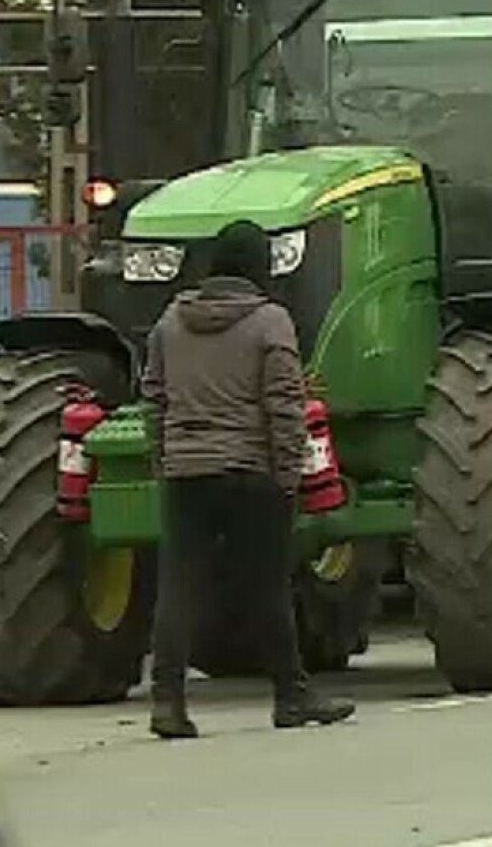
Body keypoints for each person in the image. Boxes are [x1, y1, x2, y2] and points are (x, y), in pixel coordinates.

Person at [139, 221, 355, 739]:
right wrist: (288, 475)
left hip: (187, 472)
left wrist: (165, 458)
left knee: (178, 587)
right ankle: (291, 696)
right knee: (267, 589)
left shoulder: (171, 322)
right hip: (251, 471)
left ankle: (167, 702)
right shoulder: (270, 323)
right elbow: (284, 405)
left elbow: (153, 398)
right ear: (259, 266)